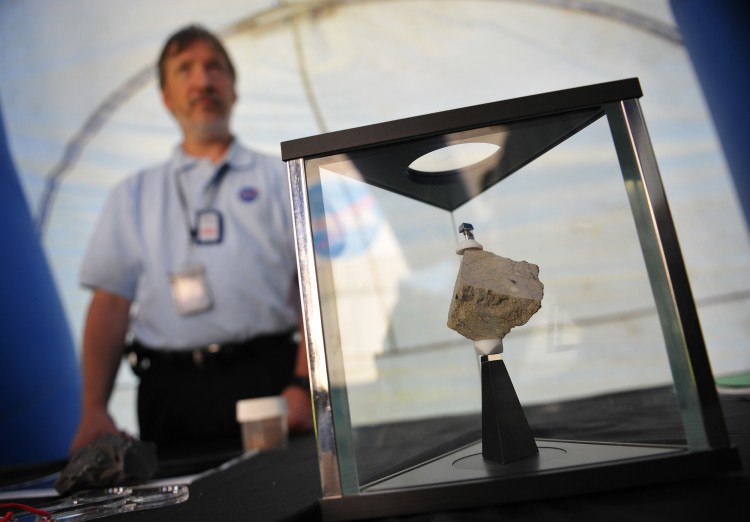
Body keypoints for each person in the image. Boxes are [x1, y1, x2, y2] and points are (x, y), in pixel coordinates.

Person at [69, 24, 313, 456]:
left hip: (268, 384)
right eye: (185, 70)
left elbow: (315, 291)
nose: (202, 81)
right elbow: (109, 304)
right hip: (169, 393)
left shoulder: (283, 178)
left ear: (234, 89)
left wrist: (302, 385)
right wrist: (93, 409)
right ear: (165, 97)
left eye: (214, 68)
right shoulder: (132, 195)